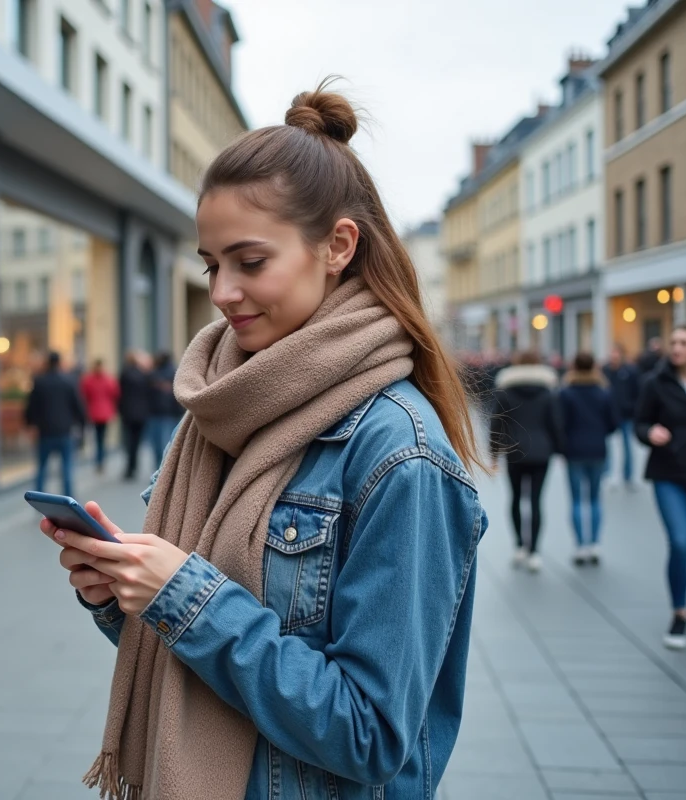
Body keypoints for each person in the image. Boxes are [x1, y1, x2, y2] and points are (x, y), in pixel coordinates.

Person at [38, 85, 487, 800]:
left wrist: (186, 596)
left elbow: (369, 733)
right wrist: (127, 595)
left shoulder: (399, 451)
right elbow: (199, 669)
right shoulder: (219, 414)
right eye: (213, 264)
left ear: (337, 246)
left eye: (249, 261)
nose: (220, 291)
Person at [634, 323, 686, 650]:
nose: (676, 348)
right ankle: (678, 612)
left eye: (684, 342)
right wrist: (649, 433)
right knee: (681, 543)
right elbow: (639, 422)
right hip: (669, 474)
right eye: (673, 341)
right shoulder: (655, 382)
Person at [490, 351, 563, 572]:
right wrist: (560, 450)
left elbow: (497, 425)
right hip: (541, 452)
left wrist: (494, 453)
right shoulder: (548, 393)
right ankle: (535, 551)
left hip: (514, 451)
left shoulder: (505, 392)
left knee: (515, 499)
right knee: (536, 500)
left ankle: (520, 545)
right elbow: (555, 424)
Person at [560, 353, 618, 566]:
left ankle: (580, 546)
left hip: (574, 450)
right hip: (597, 449)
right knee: (594, 498)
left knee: (576, 499)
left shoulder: (566, 393)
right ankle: (594, 544)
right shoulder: (604, 392)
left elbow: (561, 423)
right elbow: (613, 423)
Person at [26, 351, 86, 498]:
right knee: (66, 468)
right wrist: (82, 424)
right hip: (64, 430)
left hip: (45, 431)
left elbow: (31, 407)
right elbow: (78, 406)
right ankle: (68, 499)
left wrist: (31, 425)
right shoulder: (68, 381)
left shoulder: (40, 382)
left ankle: (38, 498)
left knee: (41, 468)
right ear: (59, 363)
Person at [602, 344, 642, 488]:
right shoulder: (605, 370)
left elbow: (637, 391)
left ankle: (629, 475)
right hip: (608, 414)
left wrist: (632, 407)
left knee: (627, 445)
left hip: (626, 414)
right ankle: (608, 473)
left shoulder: (630, 371)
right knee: (608, 445)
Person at [80, 359, 120, 474]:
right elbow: (115, 394)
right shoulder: (108, 380)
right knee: (102, 438)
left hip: (93, 413)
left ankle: (99, 460)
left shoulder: (88, 380)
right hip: (105, 413)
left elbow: (84, 395)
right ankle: (101, 460)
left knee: (97, 438)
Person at [117, 351, 151, 480]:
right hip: (141, 413)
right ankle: (134, 465)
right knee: (136, 442)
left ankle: (129, 468)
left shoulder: (125, 374)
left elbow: (120, 393)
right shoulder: (143, 375)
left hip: (128, 413)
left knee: (129, 441)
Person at [146, 352, 182, 468]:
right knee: (167, 442)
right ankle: (165, 467)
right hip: (167, 413)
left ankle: (161, 467)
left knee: (160, 443)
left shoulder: (154, 374)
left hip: (160, 412)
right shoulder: (174, 372)